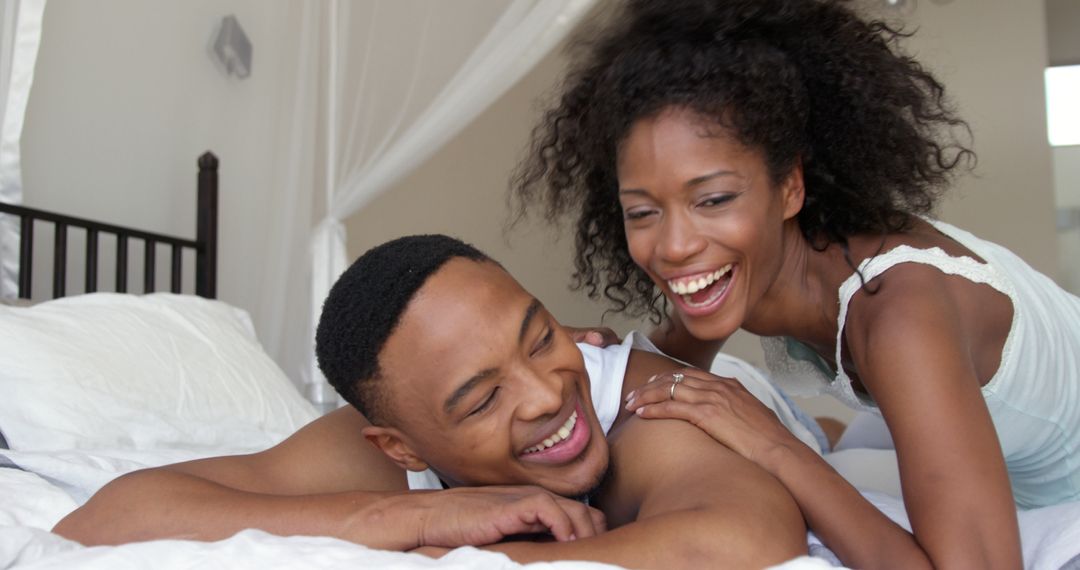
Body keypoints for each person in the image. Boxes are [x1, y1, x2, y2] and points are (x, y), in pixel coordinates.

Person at [513, 0, 1080, 568]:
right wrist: (562, 359)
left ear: (790, 187)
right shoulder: (757, 264)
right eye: (642, 212)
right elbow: (652, 372)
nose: (675, 245)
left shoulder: (899, 314)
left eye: (713, 200)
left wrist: (773, 445)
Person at [54, 234, 807, 569]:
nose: (548, 394)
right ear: (399, 447)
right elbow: (105, 519)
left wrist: (473, 554)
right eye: (482, 399)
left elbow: (745, 541)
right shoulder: (385, 453)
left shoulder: (648, 411)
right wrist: (414, 516)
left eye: (540, 335)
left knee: (831, 431)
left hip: (758, 406)